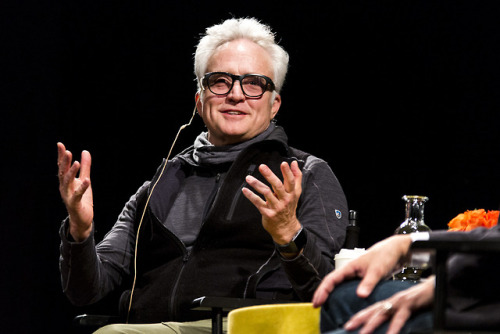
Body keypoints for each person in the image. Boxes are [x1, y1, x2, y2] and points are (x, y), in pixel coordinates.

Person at [57, 17, 349, 333]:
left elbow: (328, 294)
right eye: (220, 81)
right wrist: (80, 232)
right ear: (199, 100)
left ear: (274, 103)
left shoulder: (303, 174)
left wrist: (288, 232)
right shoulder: (160, 184)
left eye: (253, 83)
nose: (236, 95)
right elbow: (85, 291)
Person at [313, 220, 500, 334]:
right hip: (483, 275)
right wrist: (405, 245)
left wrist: (440, 285)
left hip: (487, 308)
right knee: (341, 296)